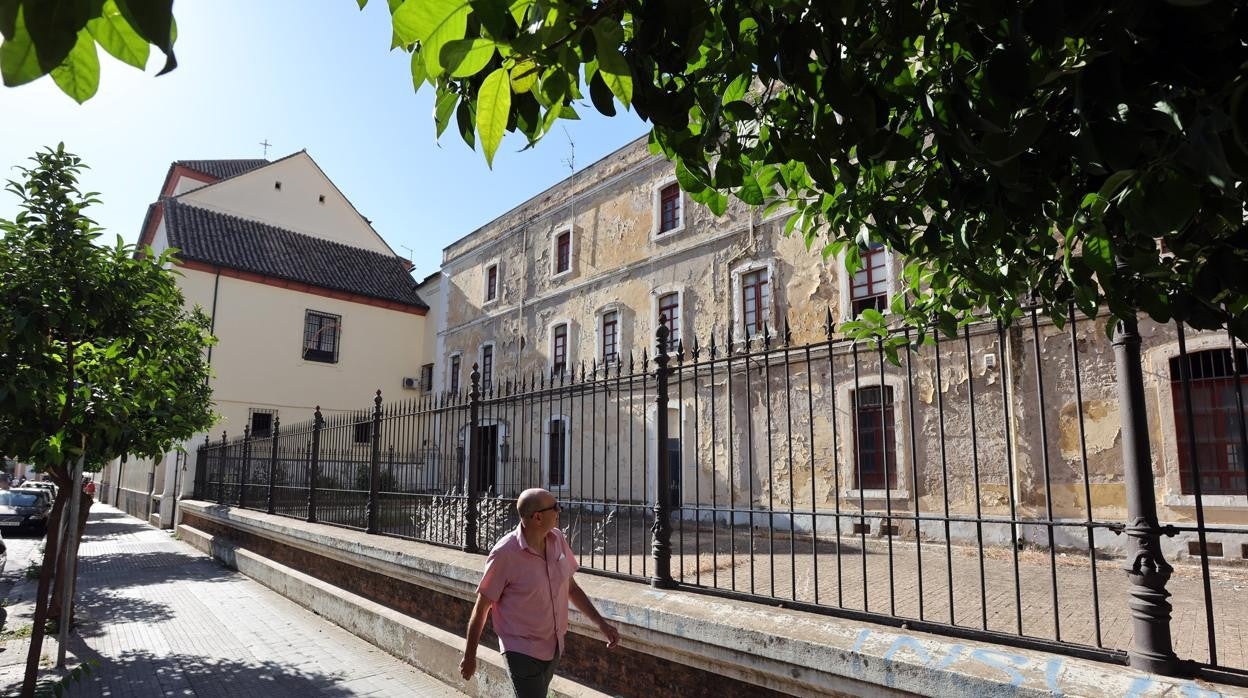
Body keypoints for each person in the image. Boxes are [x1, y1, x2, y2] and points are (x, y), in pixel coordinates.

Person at [460, 488, 620, 697]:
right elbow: (481, 608)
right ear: (538, 517)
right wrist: (470, 655)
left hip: (553, 646)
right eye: (555, 507)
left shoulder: (557, 540)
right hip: (520, 650)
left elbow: (571, 587)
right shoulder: (504, 554)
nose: (559, 510)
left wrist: (602, 624)